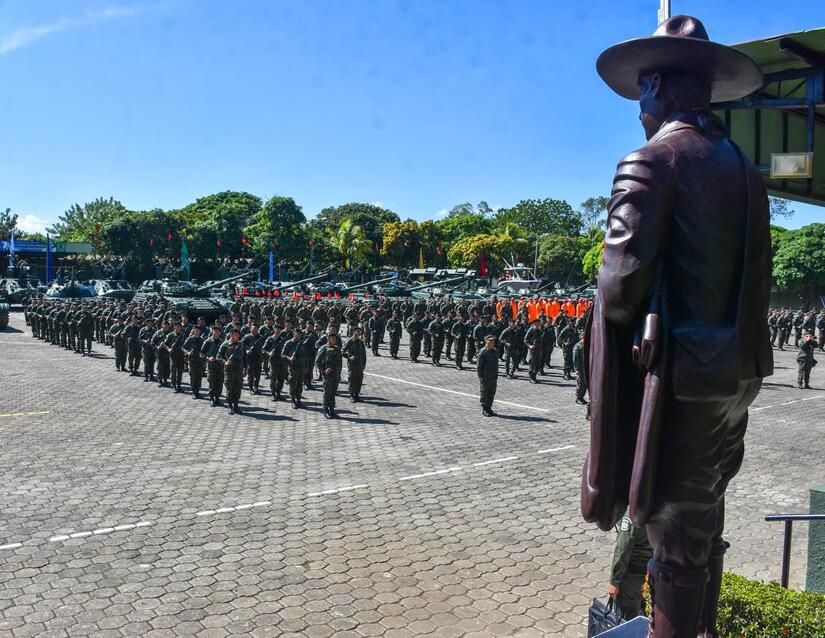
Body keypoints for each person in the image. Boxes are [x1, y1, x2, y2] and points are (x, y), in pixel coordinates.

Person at [585, 16, 772, 637]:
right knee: (705, 520)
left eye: (642, 91)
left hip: (683, 382)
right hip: (735, 375)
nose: (639, 107)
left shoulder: (651, 160)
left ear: (659, 88)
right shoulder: (744, 169)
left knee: (673, 540)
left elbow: (617, 290)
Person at [608, 511, 654, 621]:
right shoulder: (661, 510)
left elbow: (623, 549)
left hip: (632, 575)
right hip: (652, 572)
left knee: (628, 617)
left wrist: (615, 581)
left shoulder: (632, 516)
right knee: (645, 611)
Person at [218, 327, 246, 414]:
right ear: (231, 335)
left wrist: (245, 368)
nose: (237, 336)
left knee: (238, 388)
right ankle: (230, 406)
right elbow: (218, 356)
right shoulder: (225, 344)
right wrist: (225, 362)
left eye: (238, 335)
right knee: (229, 388)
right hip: (229, 371)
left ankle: (236, 406)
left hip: (238, 370)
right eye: (235, 334)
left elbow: (245, 357)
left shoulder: (241, 344)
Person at [316, 333, 343, 417]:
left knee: (333, 392)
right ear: (328, 339)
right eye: (332, 338)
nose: (334, 340)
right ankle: (325, 409)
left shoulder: (337, 349)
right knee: (327, 392)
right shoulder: (323, 348)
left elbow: (340, 362)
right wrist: (324, 371)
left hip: (336, 374)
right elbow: (317, 362)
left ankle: (332, 409)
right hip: (328, 375)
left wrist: (339, 374)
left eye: (335, 338)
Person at [201, 325, 225, 406]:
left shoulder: (222, 342)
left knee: (220, 382)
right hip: (212, 366)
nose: (216, 333)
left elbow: (224, 353)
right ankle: (211, 399)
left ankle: (217, 398)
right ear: (212, 332)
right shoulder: (208, 341)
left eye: (217, 331)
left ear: (219, 333)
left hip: (220, 366)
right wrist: (208, 358)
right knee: (212, 382)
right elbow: (202, 353)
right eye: (214, 331)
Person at [342, 327, 367, 402]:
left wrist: (364, 363)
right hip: (352, 364)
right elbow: (342, 351)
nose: (359, 333)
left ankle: (356, 394)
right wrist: (349, 357)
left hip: (359, 364)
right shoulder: (349, 341)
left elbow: (364, 353)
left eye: (360, 332)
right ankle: (351, 395)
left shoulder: (360, 342)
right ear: (353, 332)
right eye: (357, 331)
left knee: (359, 379)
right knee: (352, 379)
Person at [477, 335, 499, 417]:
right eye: (490, 341)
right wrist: (480, 376)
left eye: (493, 341)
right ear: (486, 341)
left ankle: (489, 408)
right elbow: (479, 365)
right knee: (484, 392)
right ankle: (485, 409)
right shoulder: (483, 352)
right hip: (485, 376)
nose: (492, 342)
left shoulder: (495, 351)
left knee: (491, 392)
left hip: (493, 376)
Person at [184, 324, 204, 399]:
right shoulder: (189, 339)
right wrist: (187, 352)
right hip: (192, 361)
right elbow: (183, 348)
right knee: (193, 377)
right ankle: (193, 392)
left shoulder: (202, 339)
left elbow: (205, 349)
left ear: (200, 331)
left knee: (199, 377)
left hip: (200, 361)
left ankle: (197, 391)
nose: (196, 332)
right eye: (195, 330)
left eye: (198, 330)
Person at [573, 335, 587, 405]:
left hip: (585, 368)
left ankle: (582, 397)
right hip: (580, 368)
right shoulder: (577, 346)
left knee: (585, 384)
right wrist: (576, 369)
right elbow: (575, 359)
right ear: (581, 337)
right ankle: (578, 398)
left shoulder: (586, 345)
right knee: (581, 383)